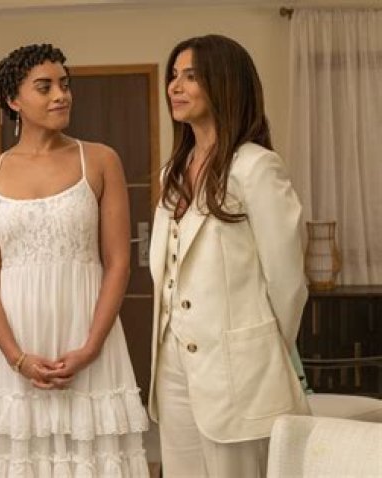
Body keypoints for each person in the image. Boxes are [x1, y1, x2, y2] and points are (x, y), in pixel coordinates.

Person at [0, 43, 149, 477]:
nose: (61, 95)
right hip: (20, 342)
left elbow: (118, 263)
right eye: (44, 87)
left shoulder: (100, 160)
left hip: (88, 337)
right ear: (13, 100)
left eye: (64, 85)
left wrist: (90, 348)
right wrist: (17, 358)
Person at [147, 34, 310, 477]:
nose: (175, 87)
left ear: (224, 84)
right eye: (173, 76)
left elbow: (287, 281)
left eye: (191, 76)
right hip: (173, 362)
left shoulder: (255, 166)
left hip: (240, 367)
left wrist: (262, 351)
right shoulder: (172, 173)